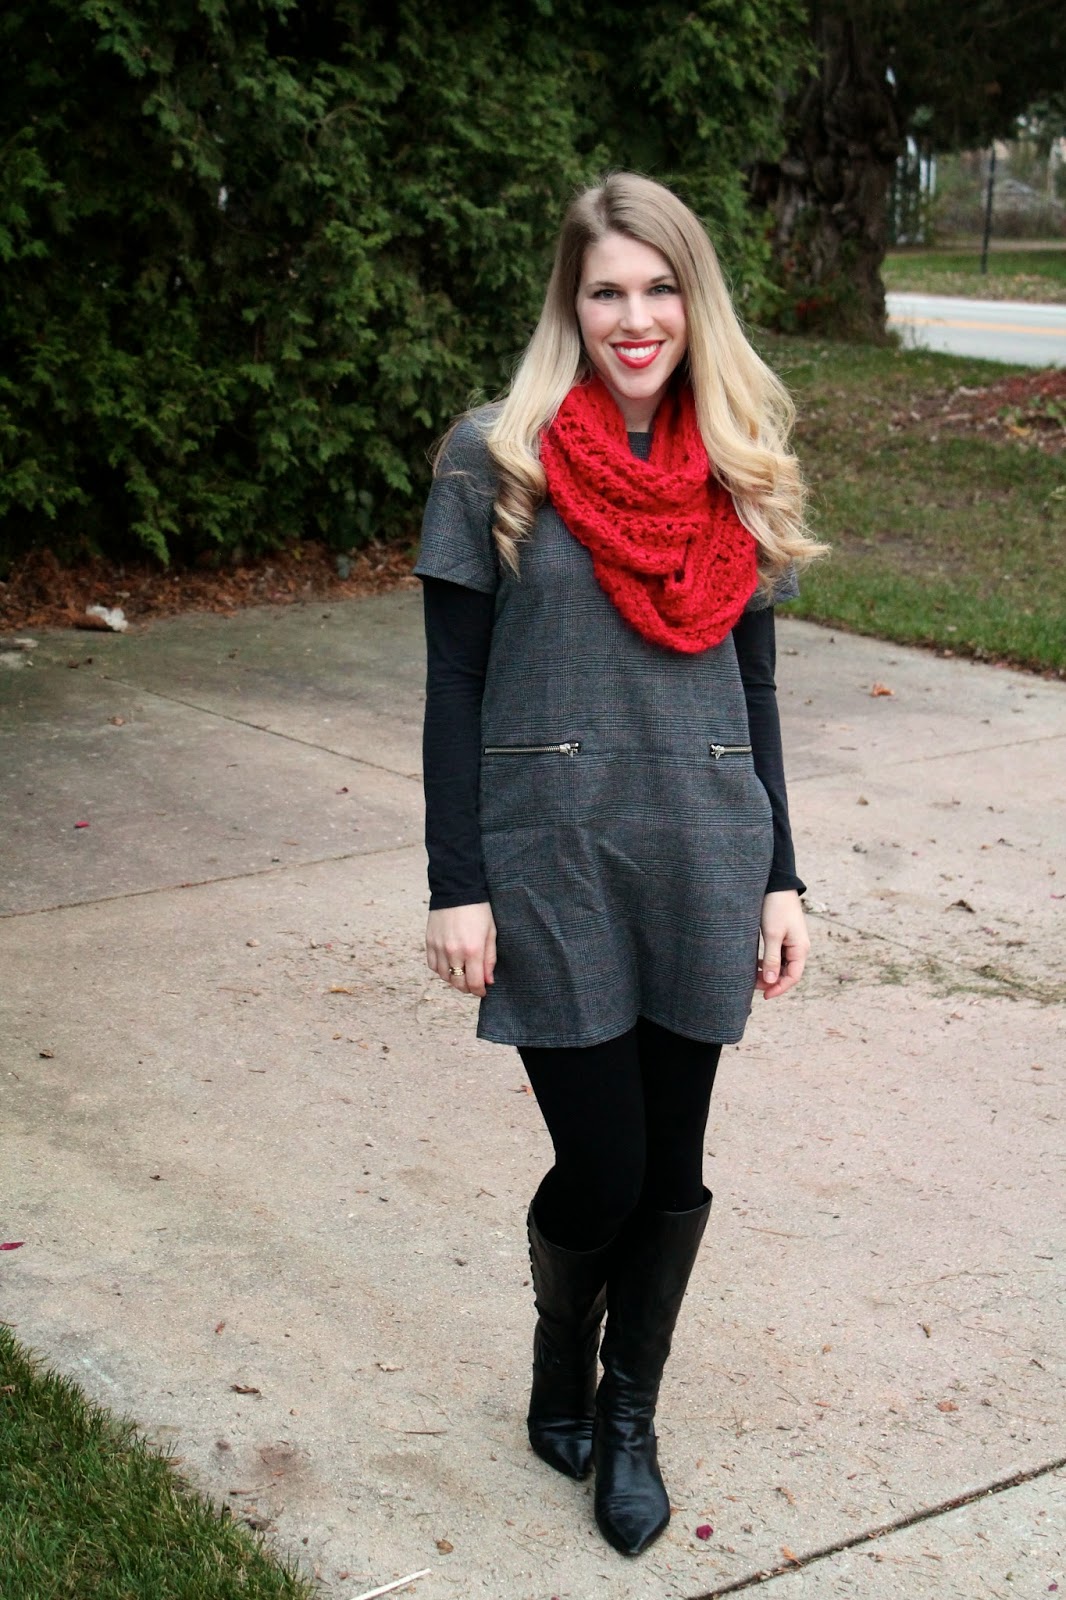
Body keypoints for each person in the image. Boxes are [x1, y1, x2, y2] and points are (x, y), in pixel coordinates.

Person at [414, 172, 825, 1558]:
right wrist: (453, 879)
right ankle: (556, 1360)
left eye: (658, 288)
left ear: (690, 298)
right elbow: (452, 685)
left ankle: (628, 1415)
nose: (633, 317)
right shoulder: (495, 456)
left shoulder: (735, 455)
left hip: (704, 846)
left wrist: (783, 875)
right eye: (606, 290)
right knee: (599, 1162)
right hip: (552, 853)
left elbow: (755, 688)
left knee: (673, 1163)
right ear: (568, 303)